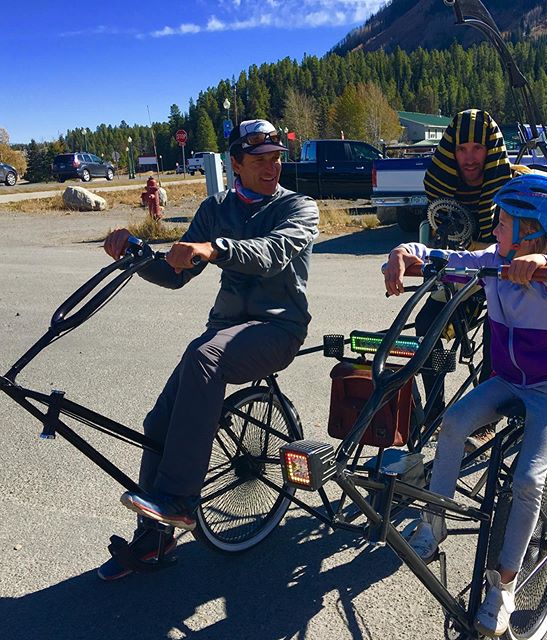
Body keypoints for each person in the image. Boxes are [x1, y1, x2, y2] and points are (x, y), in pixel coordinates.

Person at [98, 119, 320, 580]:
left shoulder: (300, 208)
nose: (271, 166)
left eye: (276, 157)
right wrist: (136, 253)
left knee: (205, 356)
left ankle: (179, 501)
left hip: (277, 330)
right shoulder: (215, 207)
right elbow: (176, 272)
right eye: (259, 159)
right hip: (224, 330)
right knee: (158, 423)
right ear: (235, 163)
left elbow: (273, 253)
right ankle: (152, 543)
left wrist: (213, 248)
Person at [384, 173, 547, 637]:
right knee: (453, 423)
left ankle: (504, 589)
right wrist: (403, 254)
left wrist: (542, 262)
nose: (494, 228)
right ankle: (432, 526)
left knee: (529, 479)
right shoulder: (493, 258)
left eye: (501, 221)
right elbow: (445, 258)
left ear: (530, 228)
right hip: (505, 381)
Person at [418, 109, 512, 447]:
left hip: (503, 280)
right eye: (461, 149)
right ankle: (433, 410)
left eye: (477, 148)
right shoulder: (443, 188)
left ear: (491, 150)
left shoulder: (511, 185)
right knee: (425, 323)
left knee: (495, 328)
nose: (469, 158)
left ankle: (485, 418)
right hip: (461, 277)